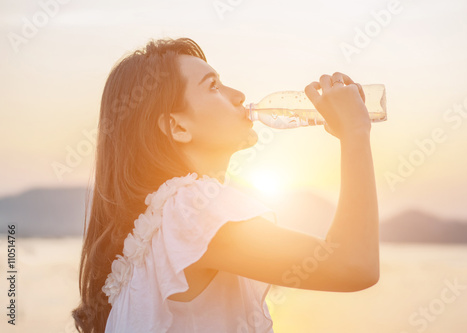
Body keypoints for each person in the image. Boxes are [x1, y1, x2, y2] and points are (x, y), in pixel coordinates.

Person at [71, 37, 379, 333]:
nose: (239, 95)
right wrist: (354, 131)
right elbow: (353, 265)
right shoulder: (191, 212)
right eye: (213, 86)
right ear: (177, 127)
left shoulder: (164, 225)